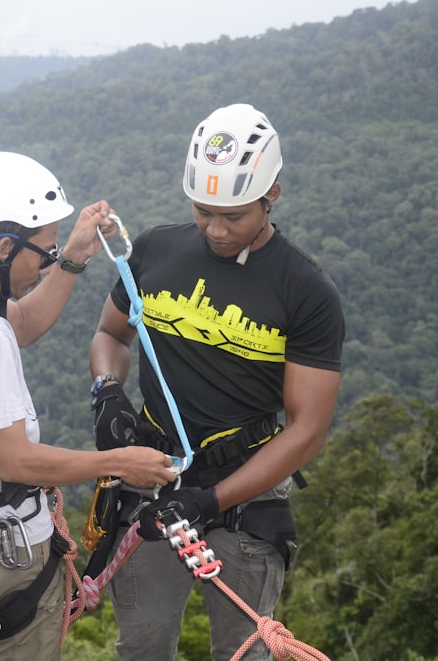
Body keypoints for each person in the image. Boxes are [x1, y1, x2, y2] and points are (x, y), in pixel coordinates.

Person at [0, 151, 177, 661]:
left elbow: (19, 323)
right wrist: (118, 462)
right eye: (42, 252)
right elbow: (17, 461)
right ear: (3, 245)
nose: (45, 262)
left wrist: (72, 255)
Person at [88, 103, 345, 661]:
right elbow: (111, 335)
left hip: (244, 490)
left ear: (272, 193)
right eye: (204, 213)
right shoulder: (157, 250)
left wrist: (212, 499)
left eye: (235, 215)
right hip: (153, 479)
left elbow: (308, 431)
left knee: (244, 650)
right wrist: (107, 391)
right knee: (143, 646)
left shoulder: (303, 289)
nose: (217, 230)